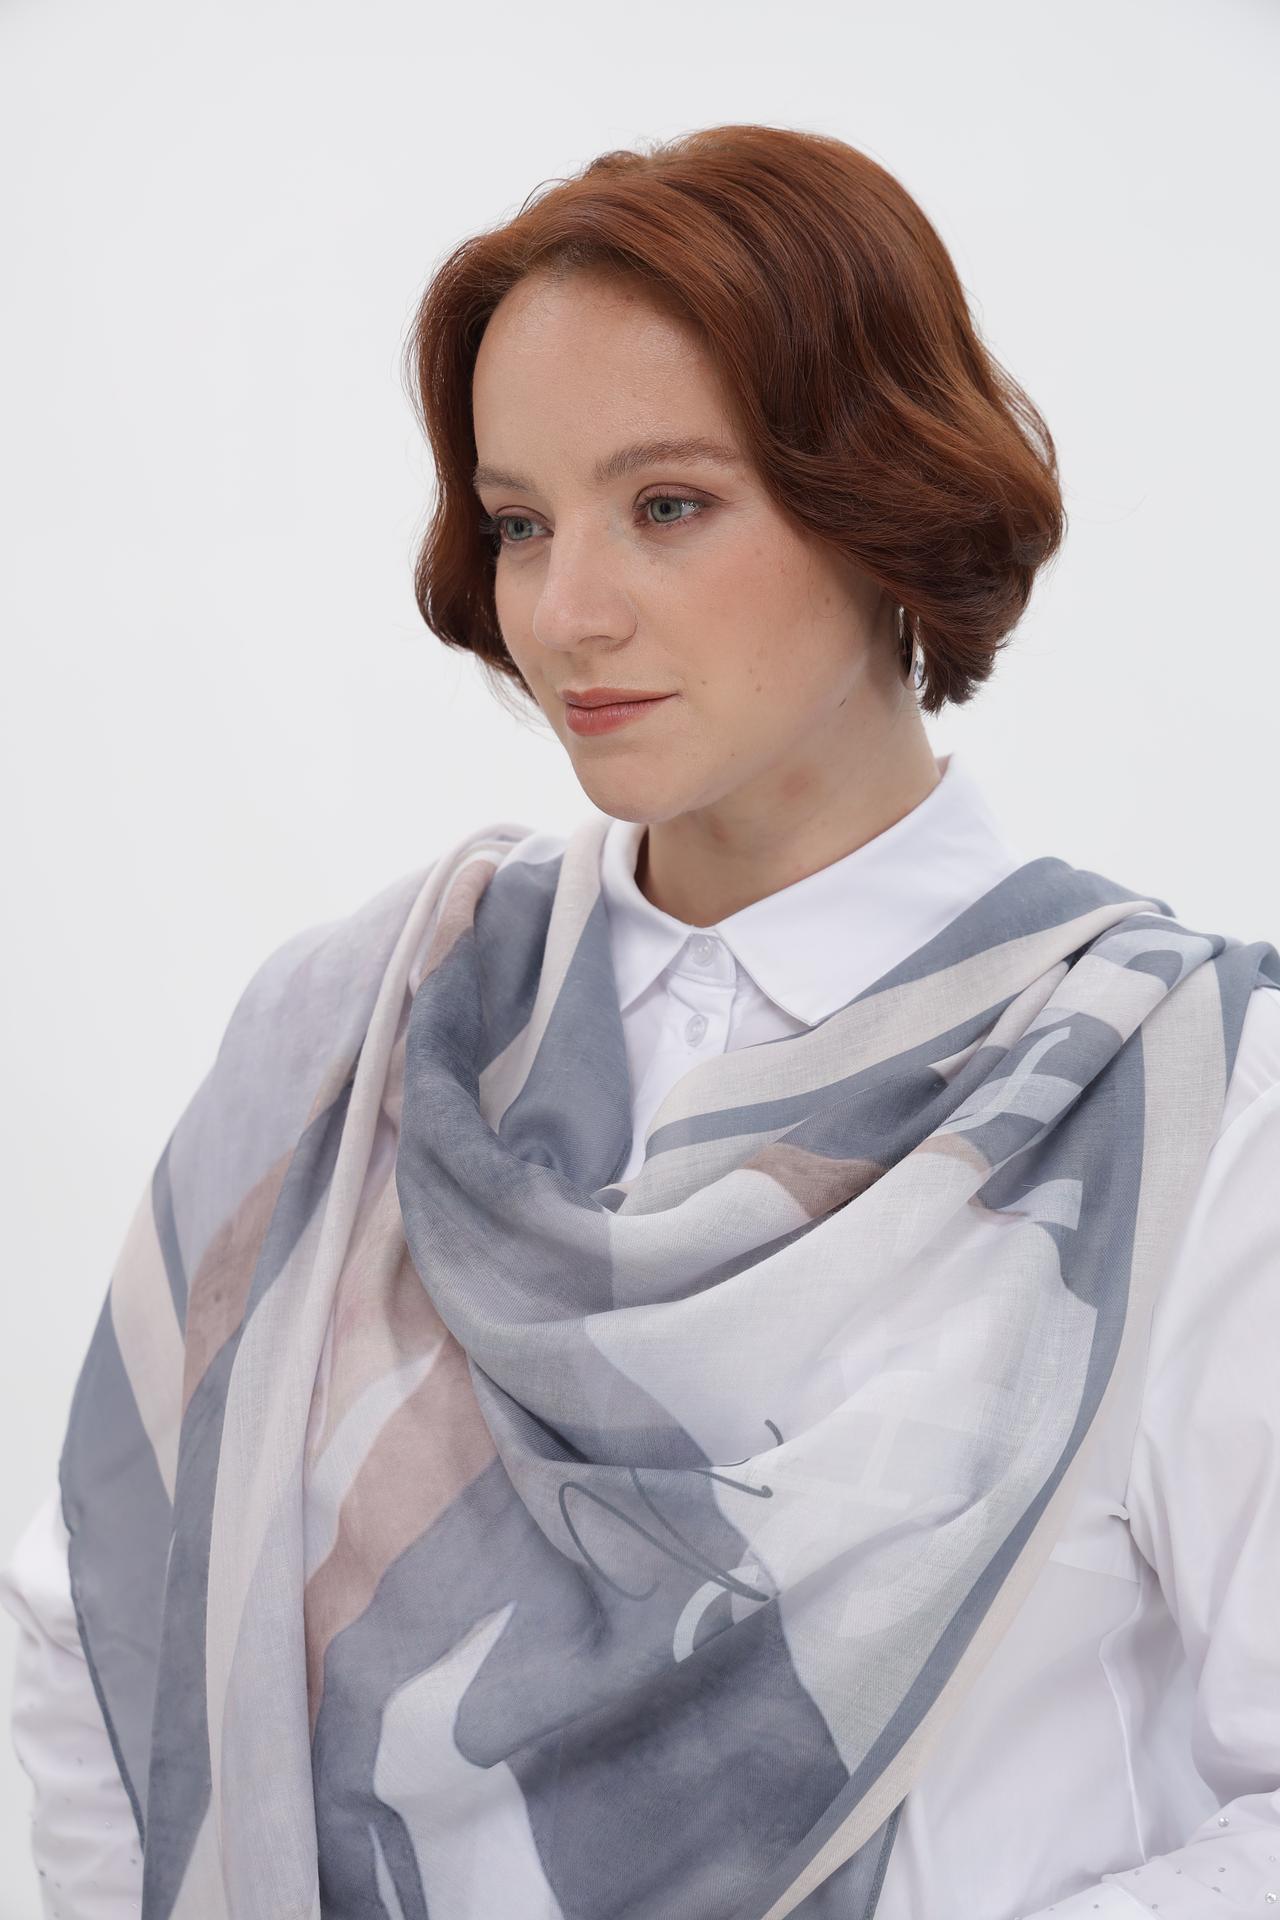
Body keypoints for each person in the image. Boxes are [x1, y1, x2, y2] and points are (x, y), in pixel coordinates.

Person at [3, 121, 1279, 1920]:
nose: (564, 612)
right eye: (521, 523)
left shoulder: (1192, 1105)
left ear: (885, 499)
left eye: (667, 506)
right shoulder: (359, 1036)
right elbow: (101, 1626)